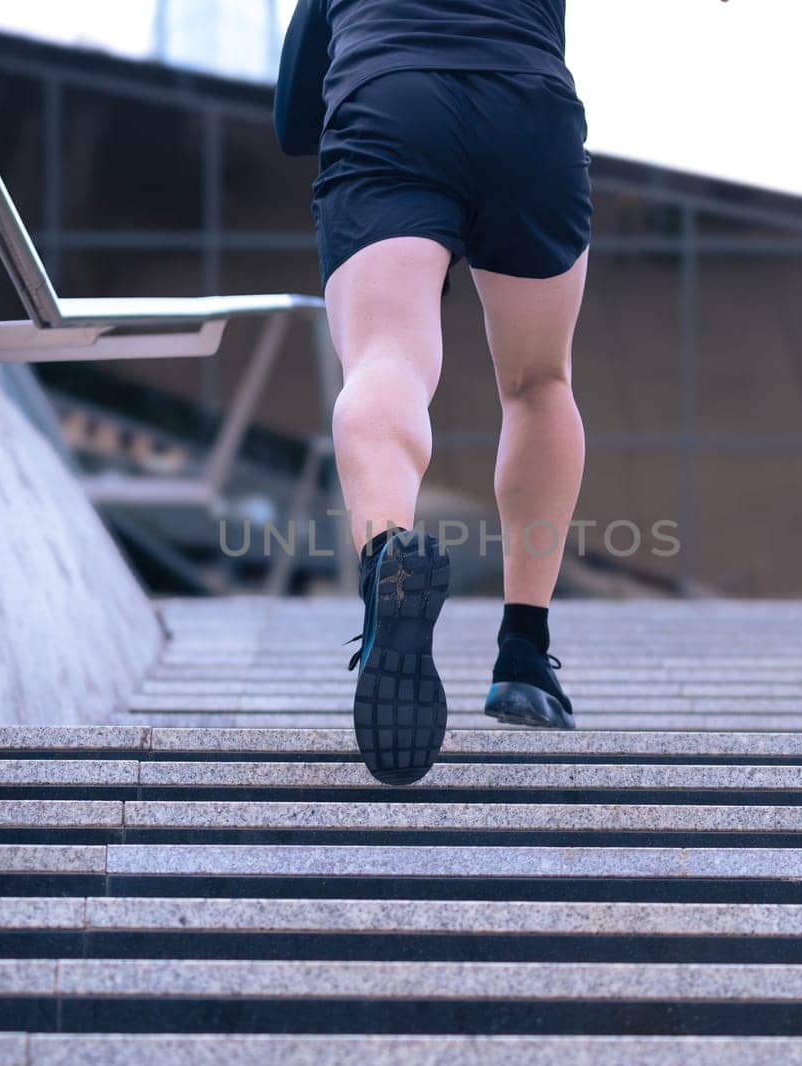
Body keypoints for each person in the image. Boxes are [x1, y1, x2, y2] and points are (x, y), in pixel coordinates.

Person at [275, 0, 589, 785]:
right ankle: (524, 653)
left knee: (387, 360)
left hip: (391, 104)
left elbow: (291, 121)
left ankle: (389, 563)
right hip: (528, 107)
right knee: (539, 380)